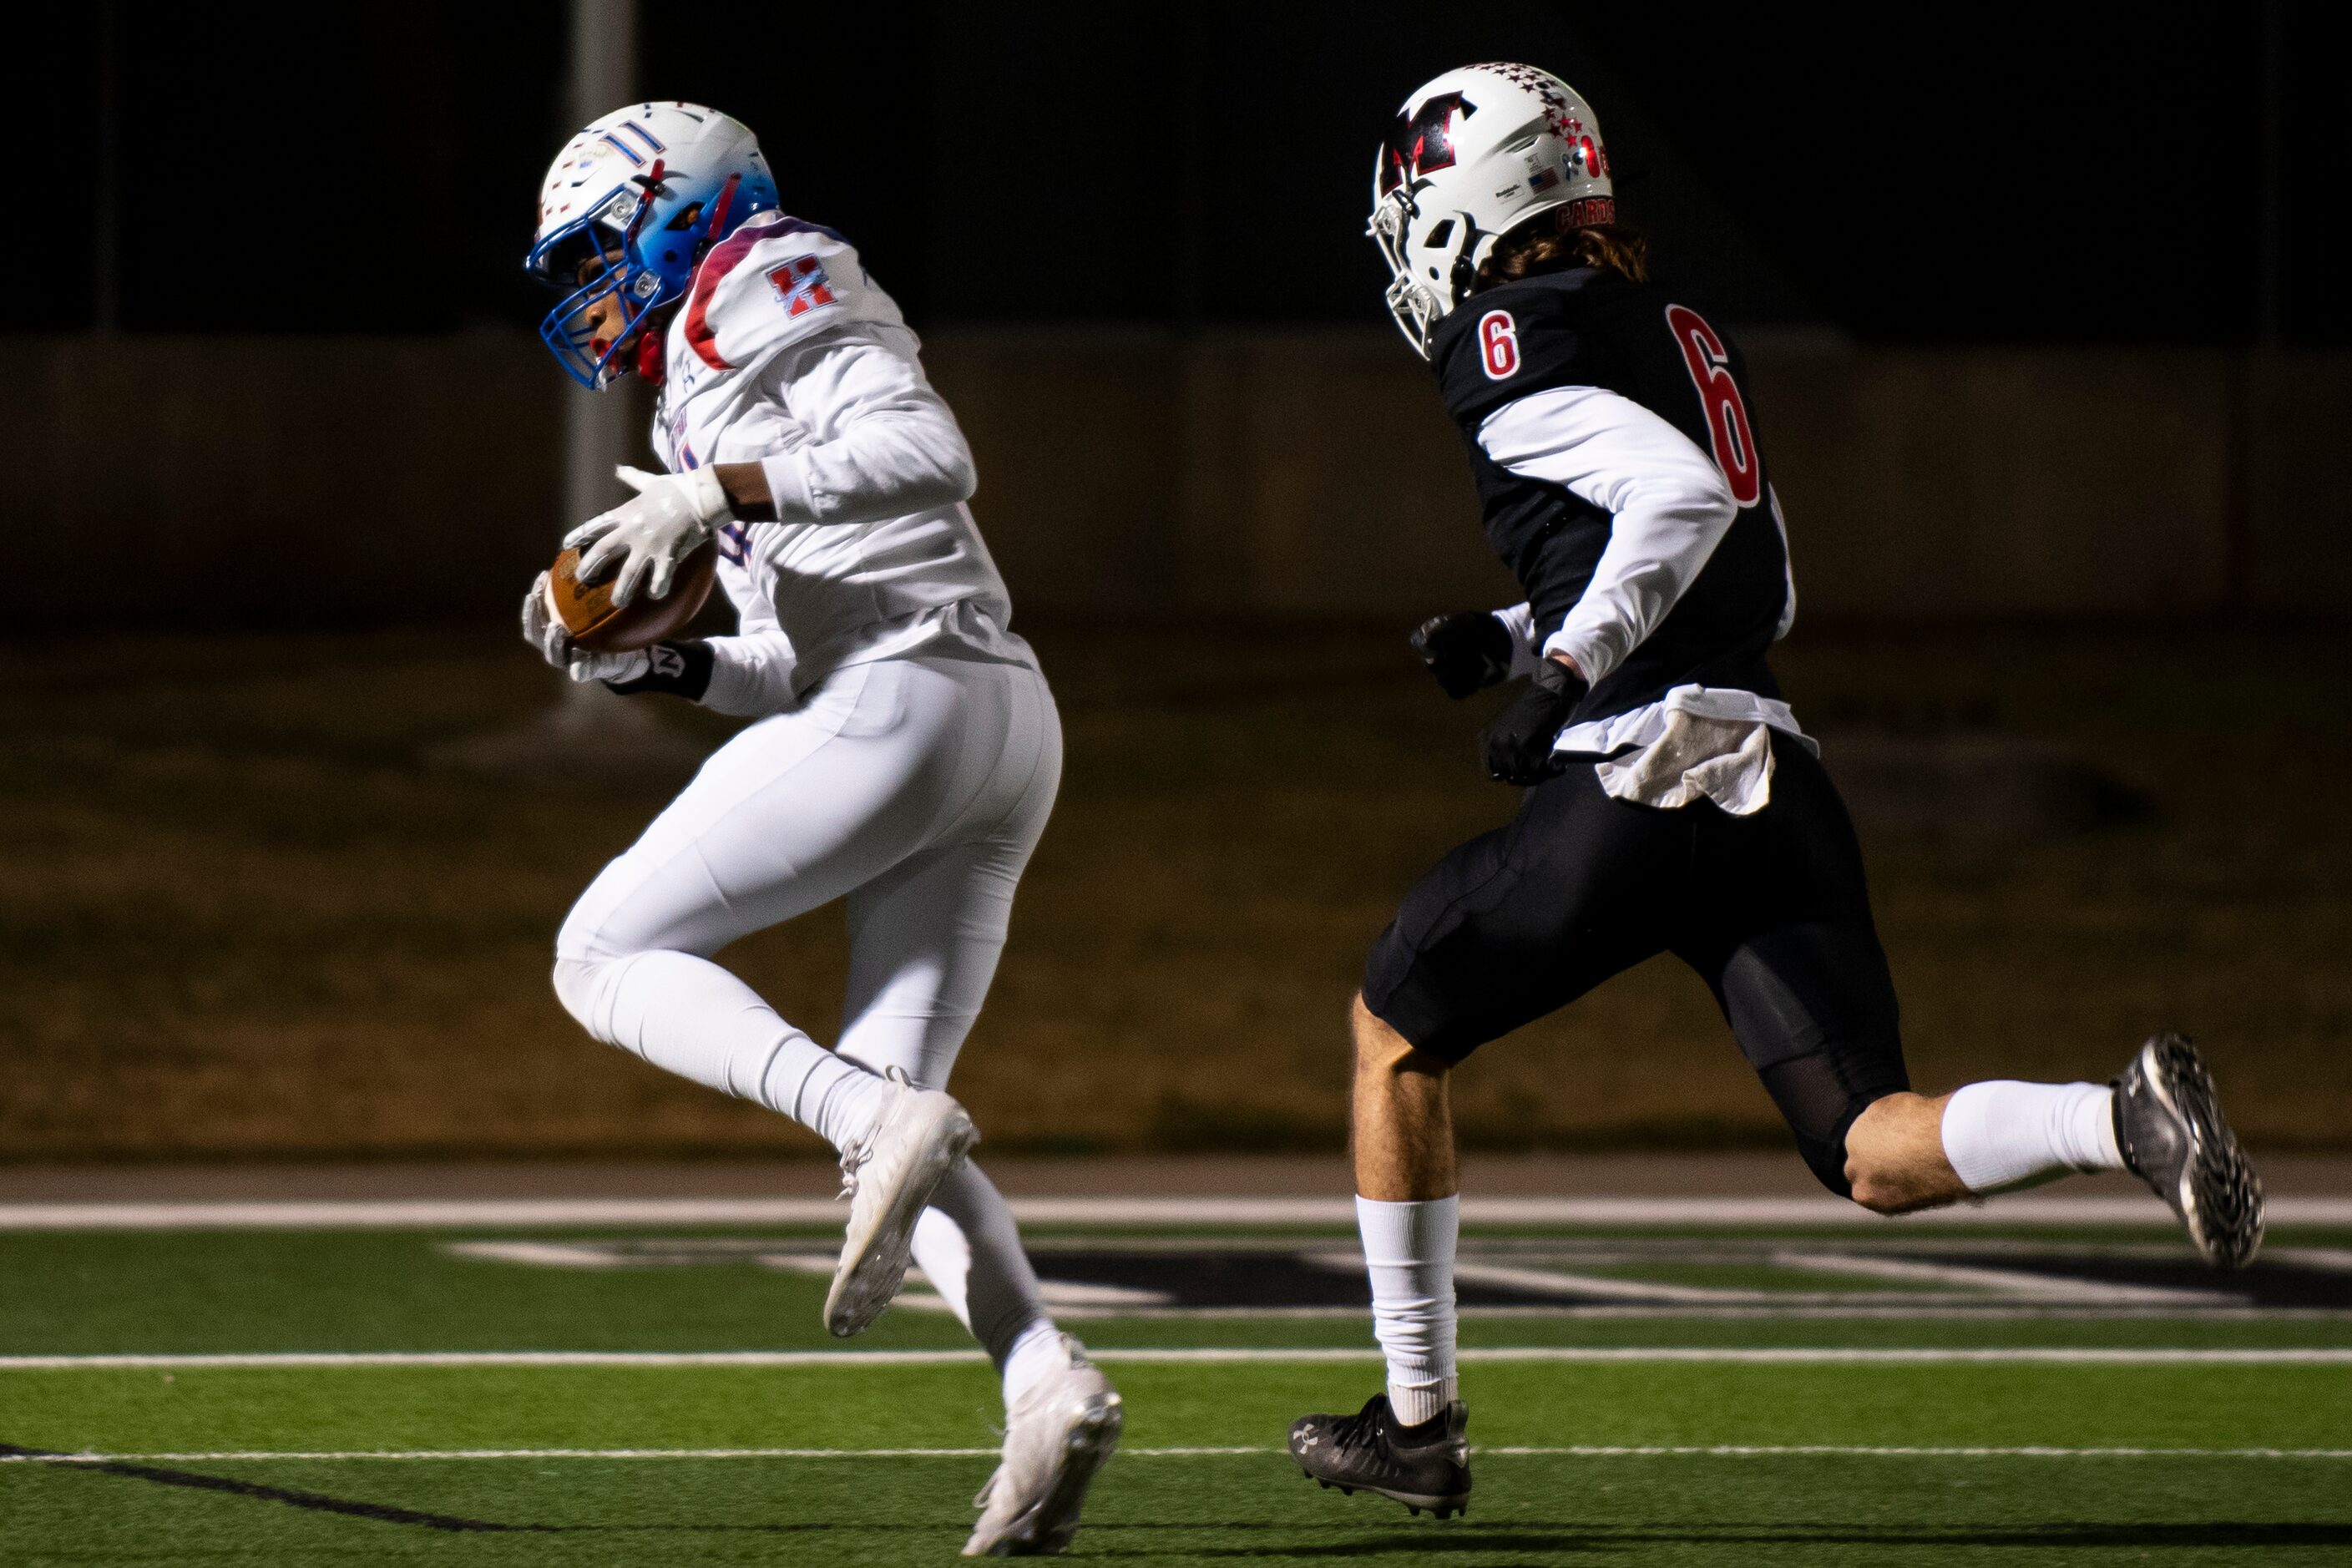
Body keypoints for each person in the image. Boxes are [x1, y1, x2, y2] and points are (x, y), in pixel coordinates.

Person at [1285, 63, 2264, 1520]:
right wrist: (1502, 636)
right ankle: (2114, 1121)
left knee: (1390, 1030)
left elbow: (1677, 505)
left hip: (1635, 777)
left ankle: (1416, 1424)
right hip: (1772, 773)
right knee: (1867, 1144)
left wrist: (1556, 667)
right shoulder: (1672, 322)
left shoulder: (1508, 329)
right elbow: (1759, 566)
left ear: (1465, 198)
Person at [517, 102, 1119, 1556]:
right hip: (976, 716)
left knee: (601, 954)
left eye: (602, 253)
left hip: (911, 701)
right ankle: (1049, 1383)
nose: (589, 293)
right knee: (887, 1104)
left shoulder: (762, 276)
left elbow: (928, 449)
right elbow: (797, 653)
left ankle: (871, 1118)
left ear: (681, 213)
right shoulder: (706, 376)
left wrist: (712, 491)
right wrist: (659, 662)